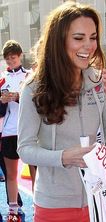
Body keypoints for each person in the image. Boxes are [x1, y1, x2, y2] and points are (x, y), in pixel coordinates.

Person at [17, 2, 106, 222]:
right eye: (79, 38)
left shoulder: (98, 81)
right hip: (53, 206)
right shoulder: (34, 87)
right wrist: (64, 157)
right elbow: (25, 149)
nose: (89, 45)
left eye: (93, 37)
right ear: (59, 41)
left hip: (96, 202)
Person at [0, 39, 28, 222]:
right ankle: (13, 211)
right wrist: (2, 102)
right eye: (8, 59)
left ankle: (40, 204)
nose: (11, 61)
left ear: (20, 56)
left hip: (29, 130)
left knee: (36, 172)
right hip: (9, 131)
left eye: (13, 57)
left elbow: (38, 103)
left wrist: (18, 97)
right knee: (11, 174)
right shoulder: (2, 79)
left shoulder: (31, 76)